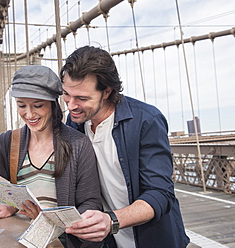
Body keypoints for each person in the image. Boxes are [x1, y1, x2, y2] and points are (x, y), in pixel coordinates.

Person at [0, 65, 103, 247]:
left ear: (52, 103)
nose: (29, 114)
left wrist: (47, 221)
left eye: (38, 105)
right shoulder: (8, 143)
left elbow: (91, 204)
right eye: (21, 105)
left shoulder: (79, 144)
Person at [60, 46, 190, 248]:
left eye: (82, 98)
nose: (70, 105)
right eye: (66, 94)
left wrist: (110, 220)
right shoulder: (75, 122)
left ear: (107, 92)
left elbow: (160, 193)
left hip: (154, 240)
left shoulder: (147, 121)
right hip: (108, 243)